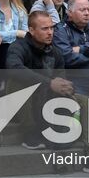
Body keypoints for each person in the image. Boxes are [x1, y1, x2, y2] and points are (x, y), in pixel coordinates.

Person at [5, 10, 75, 149]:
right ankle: (29, 133)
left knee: (81, 99)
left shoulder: (55, 52)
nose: (50, 32)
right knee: (18, 81)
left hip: (44, 99)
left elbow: (61, 78)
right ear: (31, 30)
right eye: (44, 29)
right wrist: (49, 83)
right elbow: (14, 68)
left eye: (51, 28)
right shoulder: (18, 47)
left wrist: (66, 87)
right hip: (18, 101)